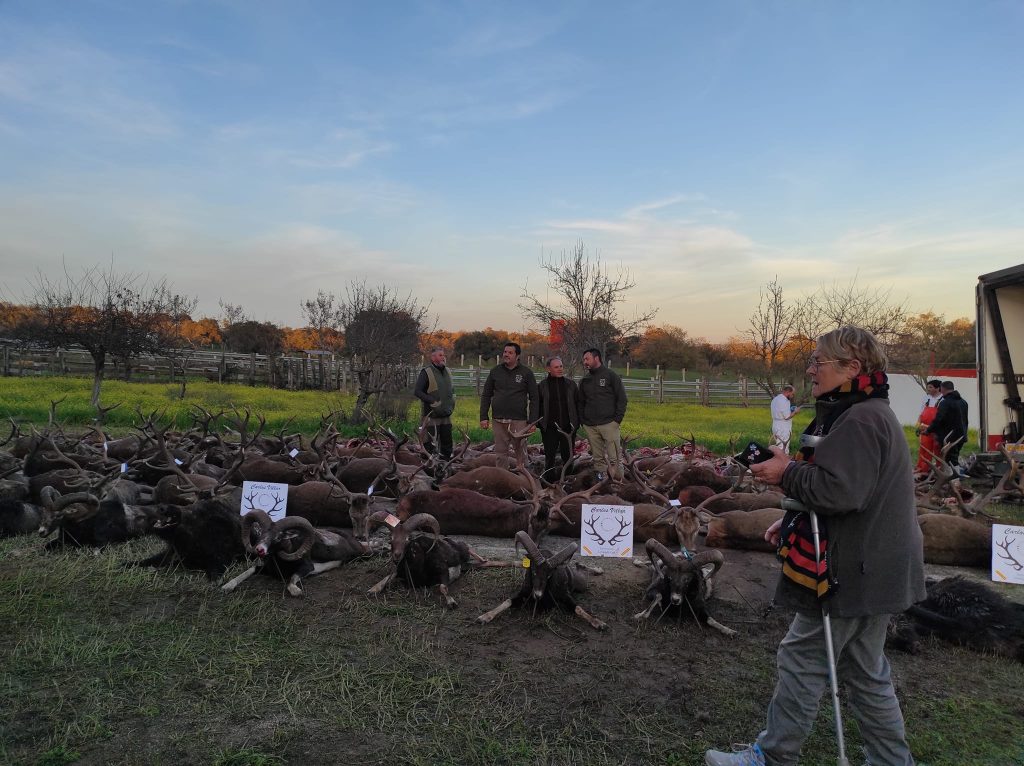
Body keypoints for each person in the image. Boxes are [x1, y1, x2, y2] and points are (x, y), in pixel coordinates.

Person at [705, 326, 926, 766]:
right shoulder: (863, 412)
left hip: (853, 569)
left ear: (852, 367)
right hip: (875, 564)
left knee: (802, 656)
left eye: (818, 362)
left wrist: (786, 472)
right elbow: (849, 488)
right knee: (865, 670)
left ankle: (773, 756)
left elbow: (841, 492)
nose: (810, 370)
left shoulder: (860, 419)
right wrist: (795, 519)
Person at [479, 342, 539, 470]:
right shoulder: (495, 372)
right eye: (505, 352)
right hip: (498, 419)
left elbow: (534, 397)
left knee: (520, 452)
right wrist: (483, 417)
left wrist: (532, 421)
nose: (506, 355)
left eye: (510, 353)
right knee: (500, 453)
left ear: (517, 356)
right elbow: (486, 395)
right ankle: (502, 477)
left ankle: (523, 477)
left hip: (519, 420)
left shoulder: (526, 373)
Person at [578, 348, 627, 482]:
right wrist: (583, 421)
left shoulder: (611, 376)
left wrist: (617, 420)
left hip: (609, 424)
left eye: (587, 359)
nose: (585, 362)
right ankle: (603, 484)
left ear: (596, 358)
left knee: (615, 459)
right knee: (598, 459)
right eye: (584, 359)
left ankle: (618, 483)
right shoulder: (585, 380)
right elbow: (580, 402)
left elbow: (622, 398)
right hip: (590, 426)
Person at [537, 356, 580, 480]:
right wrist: (539, 423)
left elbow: (578, 404)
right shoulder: (542, 386)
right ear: (548, 369)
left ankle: (568, 481)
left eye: (561, 366)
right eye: (556, 367)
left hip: (568, 428)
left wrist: (577, 423)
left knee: (568, 456)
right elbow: (537, 405)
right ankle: (549, 482)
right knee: (549, 456)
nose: (560, 369)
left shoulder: (571, 385)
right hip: (549, 429)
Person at [413, 347, 456, 460]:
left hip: (446, 415)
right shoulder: (426, 372)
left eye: (443, 355)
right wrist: (432, 401)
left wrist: (453, 400)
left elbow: (452, 390)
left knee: (447, 446)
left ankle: (445, 466)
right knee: (429, 446)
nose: (443, 357)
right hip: (431, 416)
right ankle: (427, 467)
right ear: (433, 358)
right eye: (440, 355)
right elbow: (417, 391)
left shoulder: (448, 371)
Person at [923, 380, 969, 474]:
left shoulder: (945, 403)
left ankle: (954, 479)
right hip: (961, 435)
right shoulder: (963, 402)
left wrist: (928, 430)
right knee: (954, 458)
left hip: (948, 437)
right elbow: (965, 420)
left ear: (942, 389)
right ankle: (954, 478)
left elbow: (938, 419)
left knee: (950, 460)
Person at [913, 379, 942, 476]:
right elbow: (921, 412)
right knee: (924, 449)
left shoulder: (943, 399)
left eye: (930, 387)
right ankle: (923, 469)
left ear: (937, 388)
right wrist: (918, 424)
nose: (928, 389)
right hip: (925, 429)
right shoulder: (926, 398)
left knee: (938, 450)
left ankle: (939, 470)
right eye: (927, 387)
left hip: (937, 429)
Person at [769, 385, 800, 453]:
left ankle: (777, 458)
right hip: (783, 427)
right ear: (788, 392)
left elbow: (781, 411)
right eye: (792, 394)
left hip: (775, 424)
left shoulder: (775, 399)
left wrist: (790, 410)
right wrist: (795, 412)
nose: (792, 396)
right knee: (783, 448)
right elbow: (787, 417)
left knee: (778, 445)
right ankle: (782, 459)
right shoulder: (784, 401)